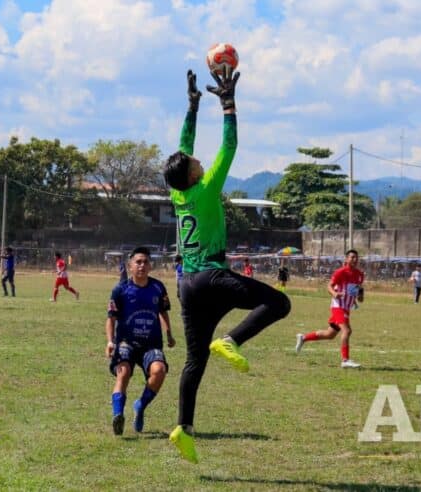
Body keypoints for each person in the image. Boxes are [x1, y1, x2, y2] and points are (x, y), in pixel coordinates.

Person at [163, 68, 291, 463]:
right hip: (210, 276)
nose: (199, 159)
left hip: (187, 284)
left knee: (194, 360)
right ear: (193, 174)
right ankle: (232, 340)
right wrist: (229, 105)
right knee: (279, 304)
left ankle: (183, 429)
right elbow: (229, 146)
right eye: (195, 162)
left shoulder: (178, 190)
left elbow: (183, 145)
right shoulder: (205, 187)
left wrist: (192, 105)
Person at [105, 246, 176, 435]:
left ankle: (140, 405)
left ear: (150, 266)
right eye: (138, 262)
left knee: (159, 371)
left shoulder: (158, 287)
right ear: (130, 265)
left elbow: (163, 311)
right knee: (124, 372)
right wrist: (110, 342)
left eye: (145, 262)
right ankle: (118, 415)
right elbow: (111, 318)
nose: (142, 265)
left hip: (151, 344)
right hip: (126, 343)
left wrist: (168, 333)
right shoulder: (120, 290)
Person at [295, 249, 364, 368]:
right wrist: (334, 293)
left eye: (356, 257)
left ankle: (303, 338)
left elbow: (358, 291)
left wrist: (359, 297)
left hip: (346, 307)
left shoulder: (360, 275)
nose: (354, 259)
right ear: (346, 259)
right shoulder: (340, 272)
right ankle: (345, 360)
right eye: (352, 257)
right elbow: (329, 286)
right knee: (347, 331)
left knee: (330, 334)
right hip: (338, 306)